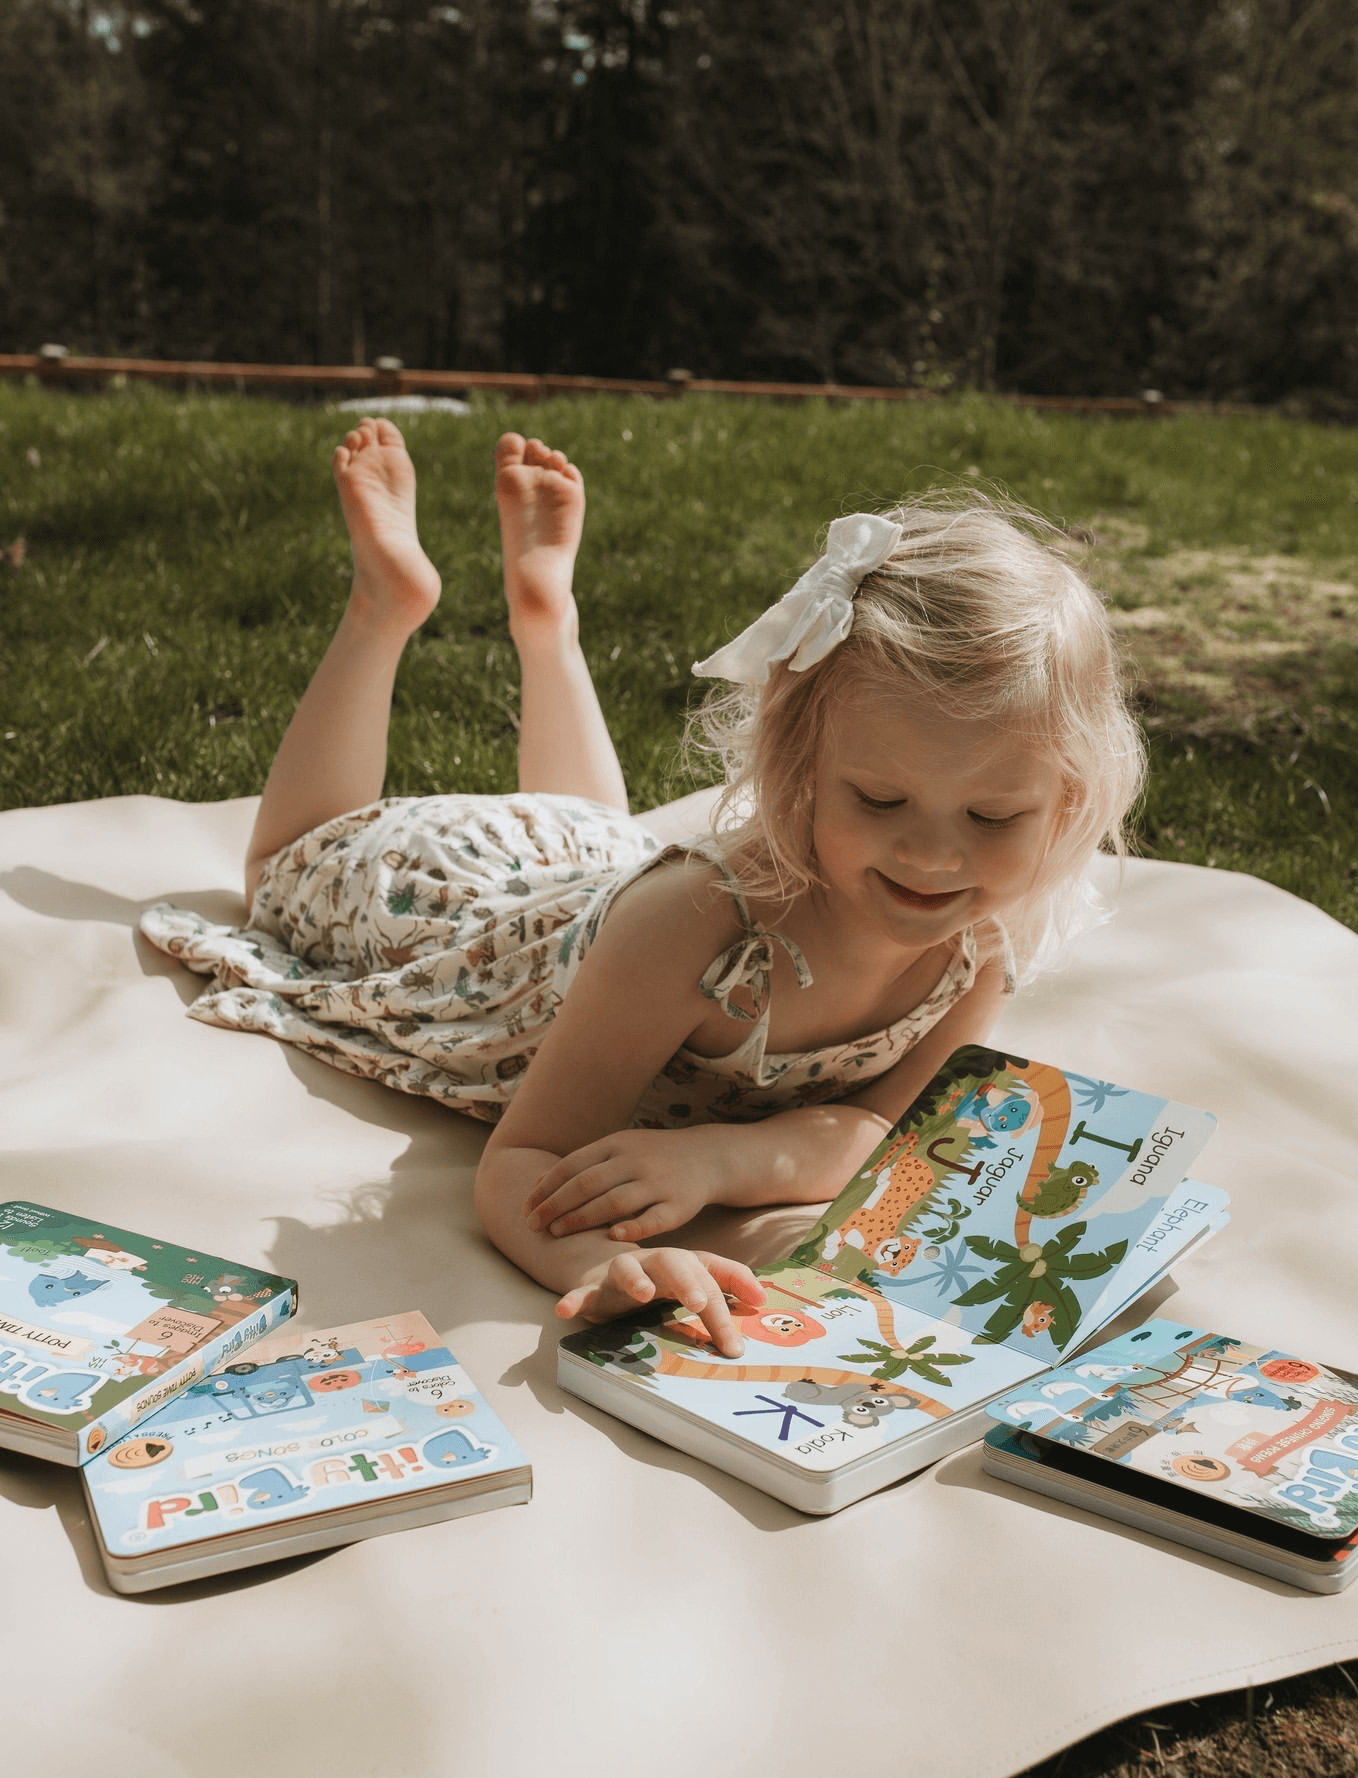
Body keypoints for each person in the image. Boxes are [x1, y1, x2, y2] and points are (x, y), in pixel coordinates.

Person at [141, 417, 1143, 1357]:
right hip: (470, 919)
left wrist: (717, 1162)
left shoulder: (980, 943)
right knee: (288, 866)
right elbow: (521, 1164)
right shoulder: (701, 922)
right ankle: (384, 607)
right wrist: (602, 1260)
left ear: (1068, 801)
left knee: (599, 834)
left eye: (992, 817)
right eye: (880, 797)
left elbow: (883, 1129)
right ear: (797, 766)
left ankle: (546, 618)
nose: (933, 856)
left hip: (597, 879)